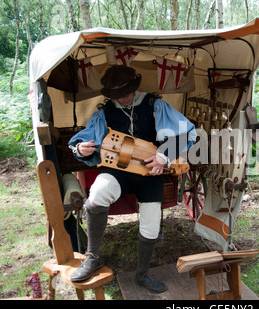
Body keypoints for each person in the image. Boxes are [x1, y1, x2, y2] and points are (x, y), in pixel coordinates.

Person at [68, 65, 196, 292]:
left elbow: (188, 133)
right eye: (119, 95)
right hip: (118, 172)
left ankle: (142, 274)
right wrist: (81, 148)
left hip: (150, 171)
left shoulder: (154, 105)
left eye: (127, 93)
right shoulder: (104, 113)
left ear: (134, 88)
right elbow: (81, 142)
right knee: (97, 194)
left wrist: (163, 157)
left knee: (151, 221)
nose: (124, 99)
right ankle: (93, 256)